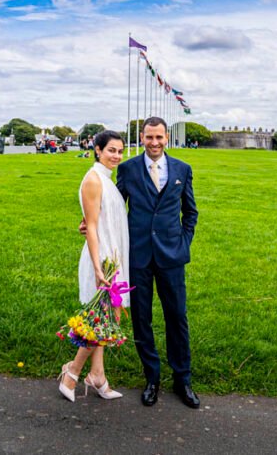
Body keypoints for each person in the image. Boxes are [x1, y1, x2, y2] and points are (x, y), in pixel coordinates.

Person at [83, 116, 200, 409]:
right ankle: (152, 378)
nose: (154, 142)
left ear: (166, 139)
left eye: (159, 137)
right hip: (137, 255)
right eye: (149, 137)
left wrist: (183, 244)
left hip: (172, 256)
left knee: (177, 317)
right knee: (141, 319)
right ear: (143, 138)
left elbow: (191, 213)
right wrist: (88, 224)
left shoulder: (182, 170)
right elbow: (110, 206)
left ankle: (182, 379)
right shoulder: (128, 169)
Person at [58, 130, 129, 403]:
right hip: (101, 260)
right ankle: (72, 372)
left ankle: (97, 375)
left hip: (113, 257)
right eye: (111, 150)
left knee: (109, 319)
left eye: (120, 151)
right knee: (101, 319)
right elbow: (92, 227)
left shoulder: (106, 180)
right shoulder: (93, 180)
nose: (117, 156)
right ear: (97, 150)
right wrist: (99, 268)